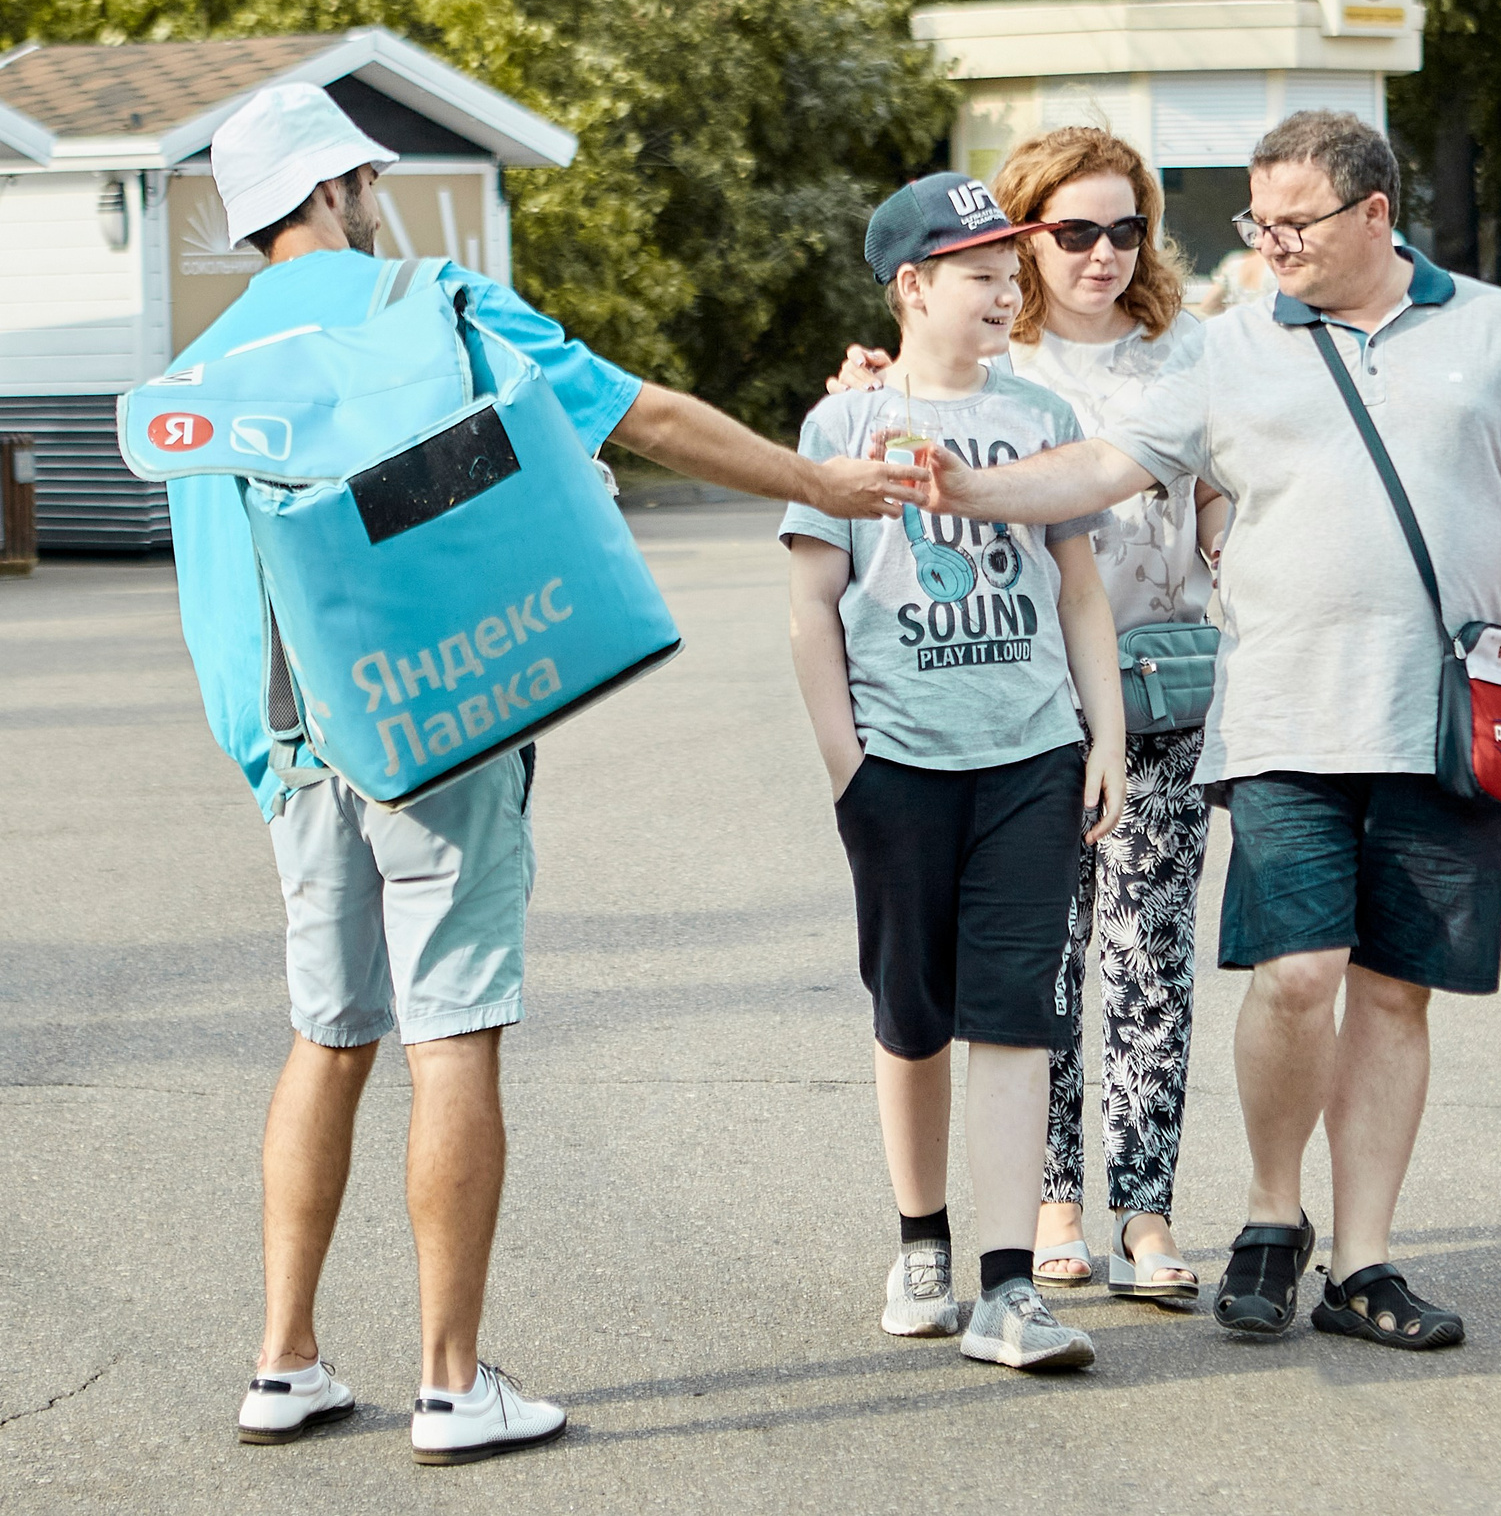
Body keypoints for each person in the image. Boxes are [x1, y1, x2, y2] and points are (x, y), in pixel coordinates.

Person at [183, 84, 922, 1464]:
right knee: (452, 1027)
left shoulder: (205, 370)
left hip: (297, 750)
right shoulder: (436, 303)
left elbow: (218, 599)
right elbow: (641, 417)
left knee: (327, 1029)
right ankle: (453, 1383)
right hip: (442, 727)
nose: (376, 199)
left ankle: (282, 1360)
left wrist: (264, 757)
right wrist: (817, 485)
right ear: (339, 191)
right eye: (366, 179)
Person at [908, 109, 1501, 1351]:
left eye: (1292, 221)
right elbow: (1101, 468)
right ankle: (1267, 1214)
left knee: (1397, 995)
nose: (1268, 242)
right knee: (1296, 977)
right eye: (1258, 220)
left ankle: (1364, 1261)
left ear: (1373, 214)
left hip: (1450, 714)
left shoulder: (1495, 331)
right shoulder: (1230, 350)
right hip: (1287, 715)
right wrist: (966, 486)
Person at [784, 172, 1129, 1372]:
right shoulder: (841, 429)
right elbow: (810, 610)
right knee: (911, 1011)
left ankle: (1006, 1285)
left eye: (1008, 269)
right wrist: (849, 768)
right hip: (899, 765)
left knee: (1015, 1011)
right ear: (912, 285)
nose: (1004, 288)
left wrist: (1108, 741)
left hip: (1032, 754)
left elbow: (1080, 589)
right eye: (979, 270)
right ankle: (920, 1237)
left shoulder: (1038, 414)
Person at [983, 129, 1228, 1301]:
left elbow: (1223, 486)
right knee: (1044, 964)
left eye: (1124, 228)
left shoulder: (1191, 350)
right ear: (1027, 233)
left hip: (1162, 689)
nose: (1102, 253)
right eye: (1074, 231)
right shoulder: (994, 357)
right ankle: (1052, 1194)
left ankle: (1144, 1207)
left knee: (1148, 959)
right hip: (1028, 702)